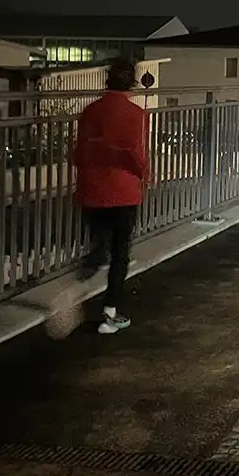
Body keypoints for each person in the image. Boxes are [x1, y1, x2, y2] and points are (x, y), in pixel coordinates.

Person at [71, 57, 149, 334]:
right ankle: (110, 312)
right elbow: (136, 157)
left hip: (92, 189)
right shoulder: (136, 115)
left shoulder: (90, 111)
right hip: (123, 191)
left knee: (100, 241)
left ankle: (90, 263)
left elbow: (78, 154)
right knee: (121, 253)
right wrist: (145, 175)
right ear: (132, 83)